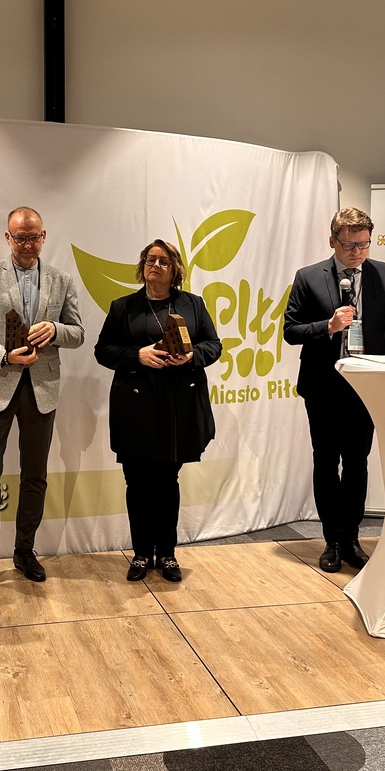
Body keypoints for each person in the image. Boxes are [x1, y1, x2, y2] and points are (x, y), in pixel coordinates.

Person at [284, 207, 385, 574]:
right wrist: (327, 326)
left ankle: (351, 538)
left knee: (357, 461)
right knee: (325, 461)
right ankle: (331, 539)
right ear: (332, 241)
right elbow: (290, 330)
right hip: (323, 384)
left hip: (368, 384)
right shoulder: (308, 277)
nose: (357, 253)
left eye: (363, 245)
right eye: (349, 246)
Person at [0, 207, 84, 596]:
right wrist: (3, 355)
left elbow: (78, 333)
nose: (27, 244)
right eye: (20, 237)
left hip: (42, 389)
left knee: (35, 475)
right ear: (7, 238)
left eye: (34, 237)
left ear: (44, 237)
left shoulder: (62, 280)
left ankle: (25, 550)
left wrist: (55, 330)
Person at [94, 240, 222, 582]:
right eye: (150, 259)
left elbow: (214, 345)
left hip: (178, 406)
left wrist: (192, 356)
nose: (156, 265)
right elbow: (103, 350)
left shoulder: (193, 304)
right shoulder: (123, 307)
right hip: (135, 407)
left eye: (163, 261)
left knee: (167, 481)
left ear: (174, 269)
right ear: (142, 266)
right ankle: (140, 554)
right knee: (137, 481)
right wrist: (137, 355)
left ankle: (166, 554)